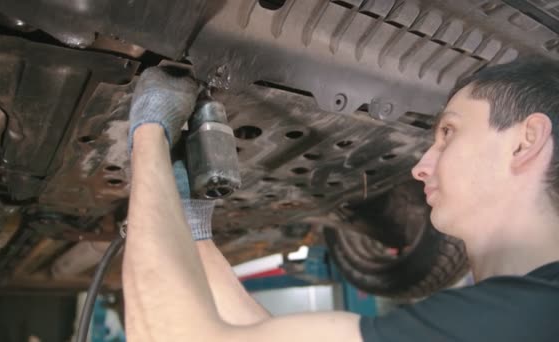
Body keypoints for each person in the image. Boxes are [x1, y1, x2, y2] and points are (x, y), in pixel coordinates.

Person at [122, 57, 559, 341]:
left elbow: (168, 332)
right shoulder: (523, 313)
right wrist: (193, 229)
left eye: (449, 133)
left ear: (525, 143)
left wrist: (149, 134)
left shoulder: (524, 320)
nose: (421, 166)